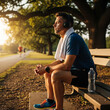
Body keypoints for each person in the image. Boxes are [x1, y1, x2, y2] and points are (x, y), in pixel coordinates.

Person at [33, 12, 97, 110]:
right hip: (77, 72)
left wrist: (46, 68)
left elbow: (66, 66)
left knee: (56, 75)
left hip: (87, 76)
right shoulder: (64, 39)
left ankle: (59, 108)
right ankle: (50, 101)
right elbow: (60, 61)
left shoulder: (72, 38)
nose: (54, 25)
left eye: (58, 22)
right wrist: (44, 68)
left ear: (66, 24)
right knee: (48, 73)